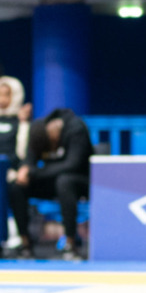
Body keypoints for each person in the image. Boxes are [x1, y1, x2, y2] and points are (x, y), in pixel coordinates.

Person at [8, 108, 93, 261]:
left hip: (80, 181)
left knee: (64, 182)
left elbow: (73, 164)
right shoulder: (38, 130)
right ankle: (25, 243)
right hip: (51, 180)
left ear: (55, 133)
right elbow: (30, 158)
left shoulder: (76, 128)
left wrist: (34, 172)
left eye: (52, 143)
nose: (51, 148)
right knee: (18, 186)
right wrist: (25, 169)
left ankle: (70, 243)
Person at [0, 76, 31, 254]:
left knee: (16, 190)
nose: (2, 99)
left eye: (6, 94)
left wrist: (24, 123)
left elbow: (23, 152)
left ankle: (24, 239)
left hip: (11, 172)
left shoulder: (20, 122)